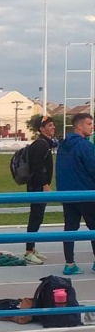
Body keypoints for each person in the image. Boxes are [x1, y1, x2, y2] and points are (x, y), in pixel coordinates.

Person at [56, 112, 95, 275]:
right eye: (89, 124)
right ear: (80, 126)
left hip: (67, 193)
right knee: (93, 228)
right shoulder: (85, 145)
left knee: (70, 228)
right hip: (85, 192)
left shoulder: (63, 145)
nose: (92, 127)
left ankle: (69, 263)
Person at [23, 115, 56, 265]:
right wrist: (45, 185)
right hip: (37, 186)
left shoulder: (45, 144)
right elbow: (36, 167)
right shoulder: (41, 144)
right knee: (35, 218)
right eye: (50, 125)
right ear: (41, 129)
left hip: (38, 186)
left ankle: (32, 248)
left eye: (53, 125)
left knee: (38, 217)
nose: (53, 127)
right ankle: (29, 251)